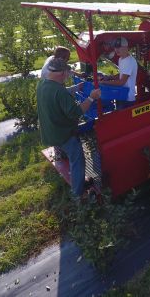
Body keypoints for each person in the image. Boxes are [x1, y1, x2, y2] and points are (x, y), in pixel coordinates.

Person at [37, 57, 101, 197]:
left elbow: (59, 94)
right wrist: (91, 98)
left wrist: (76, 88)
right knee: (77, 160)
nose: (68, 76)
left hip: (49, 131)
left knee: (67, 153)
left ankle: (62, 159)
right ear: (61, 74)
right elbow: (76, 113)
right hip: (64, 134)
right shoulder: (59, 91)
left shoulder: (42, 84)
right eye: (67, 74)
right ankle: (78, 194)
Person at [100, 37, 138, 109]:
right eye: (115, 47)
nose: (116, 49)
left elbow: (121, 82)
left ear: (126, 47)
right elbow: (121, 74)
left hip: (128, 99)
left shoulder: (129, 61)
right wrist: (109, 77)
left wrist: (104, 82)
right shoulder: (121, 59)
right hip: (121, 94)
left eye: (119, 47)